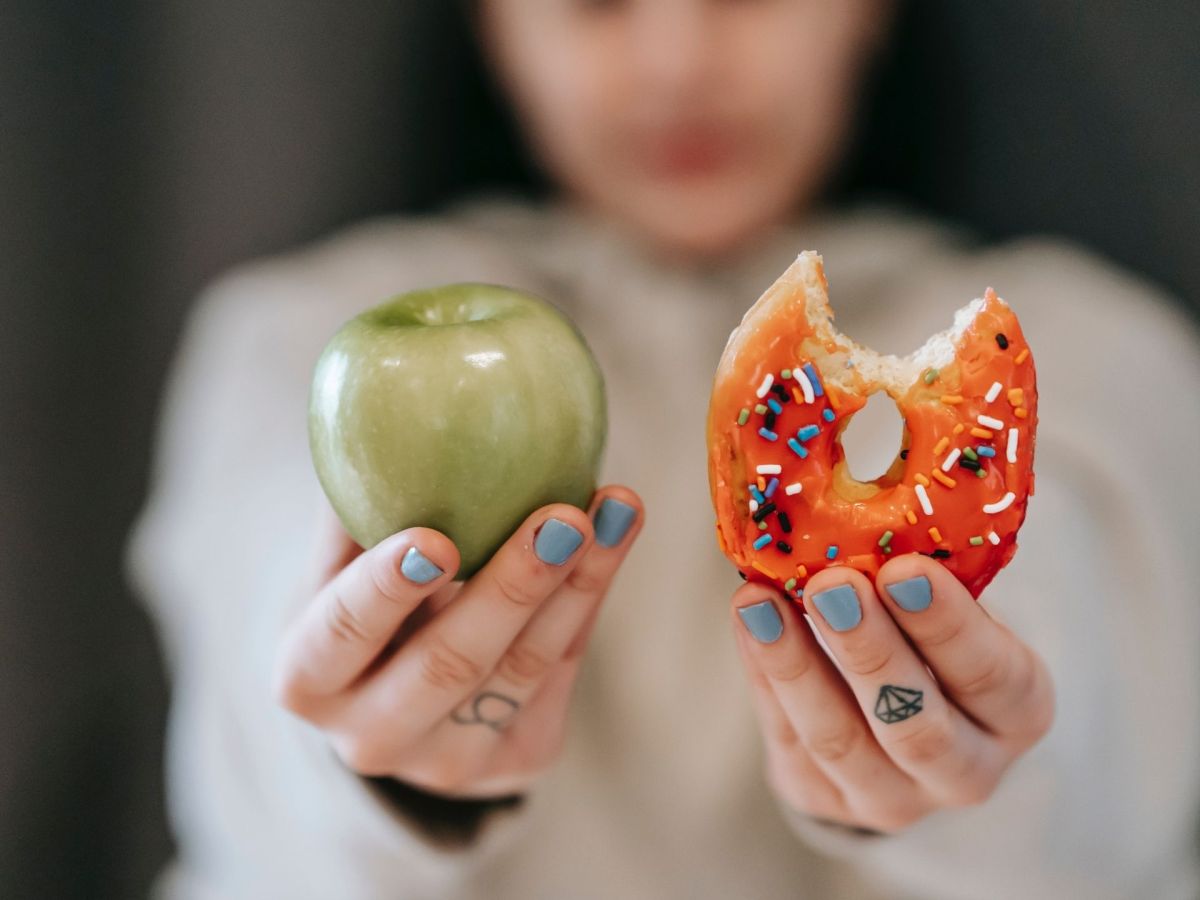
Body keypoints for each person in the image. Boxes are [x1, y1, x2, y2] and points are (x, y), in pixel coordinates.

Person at [125, 1, 1200, 898]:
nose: (679, 57)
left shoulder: (1098, 347)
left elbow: (1092, 688)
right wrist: (368, 758)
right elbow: (250, 709)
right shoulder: (286, 336)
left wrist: (977, 757)